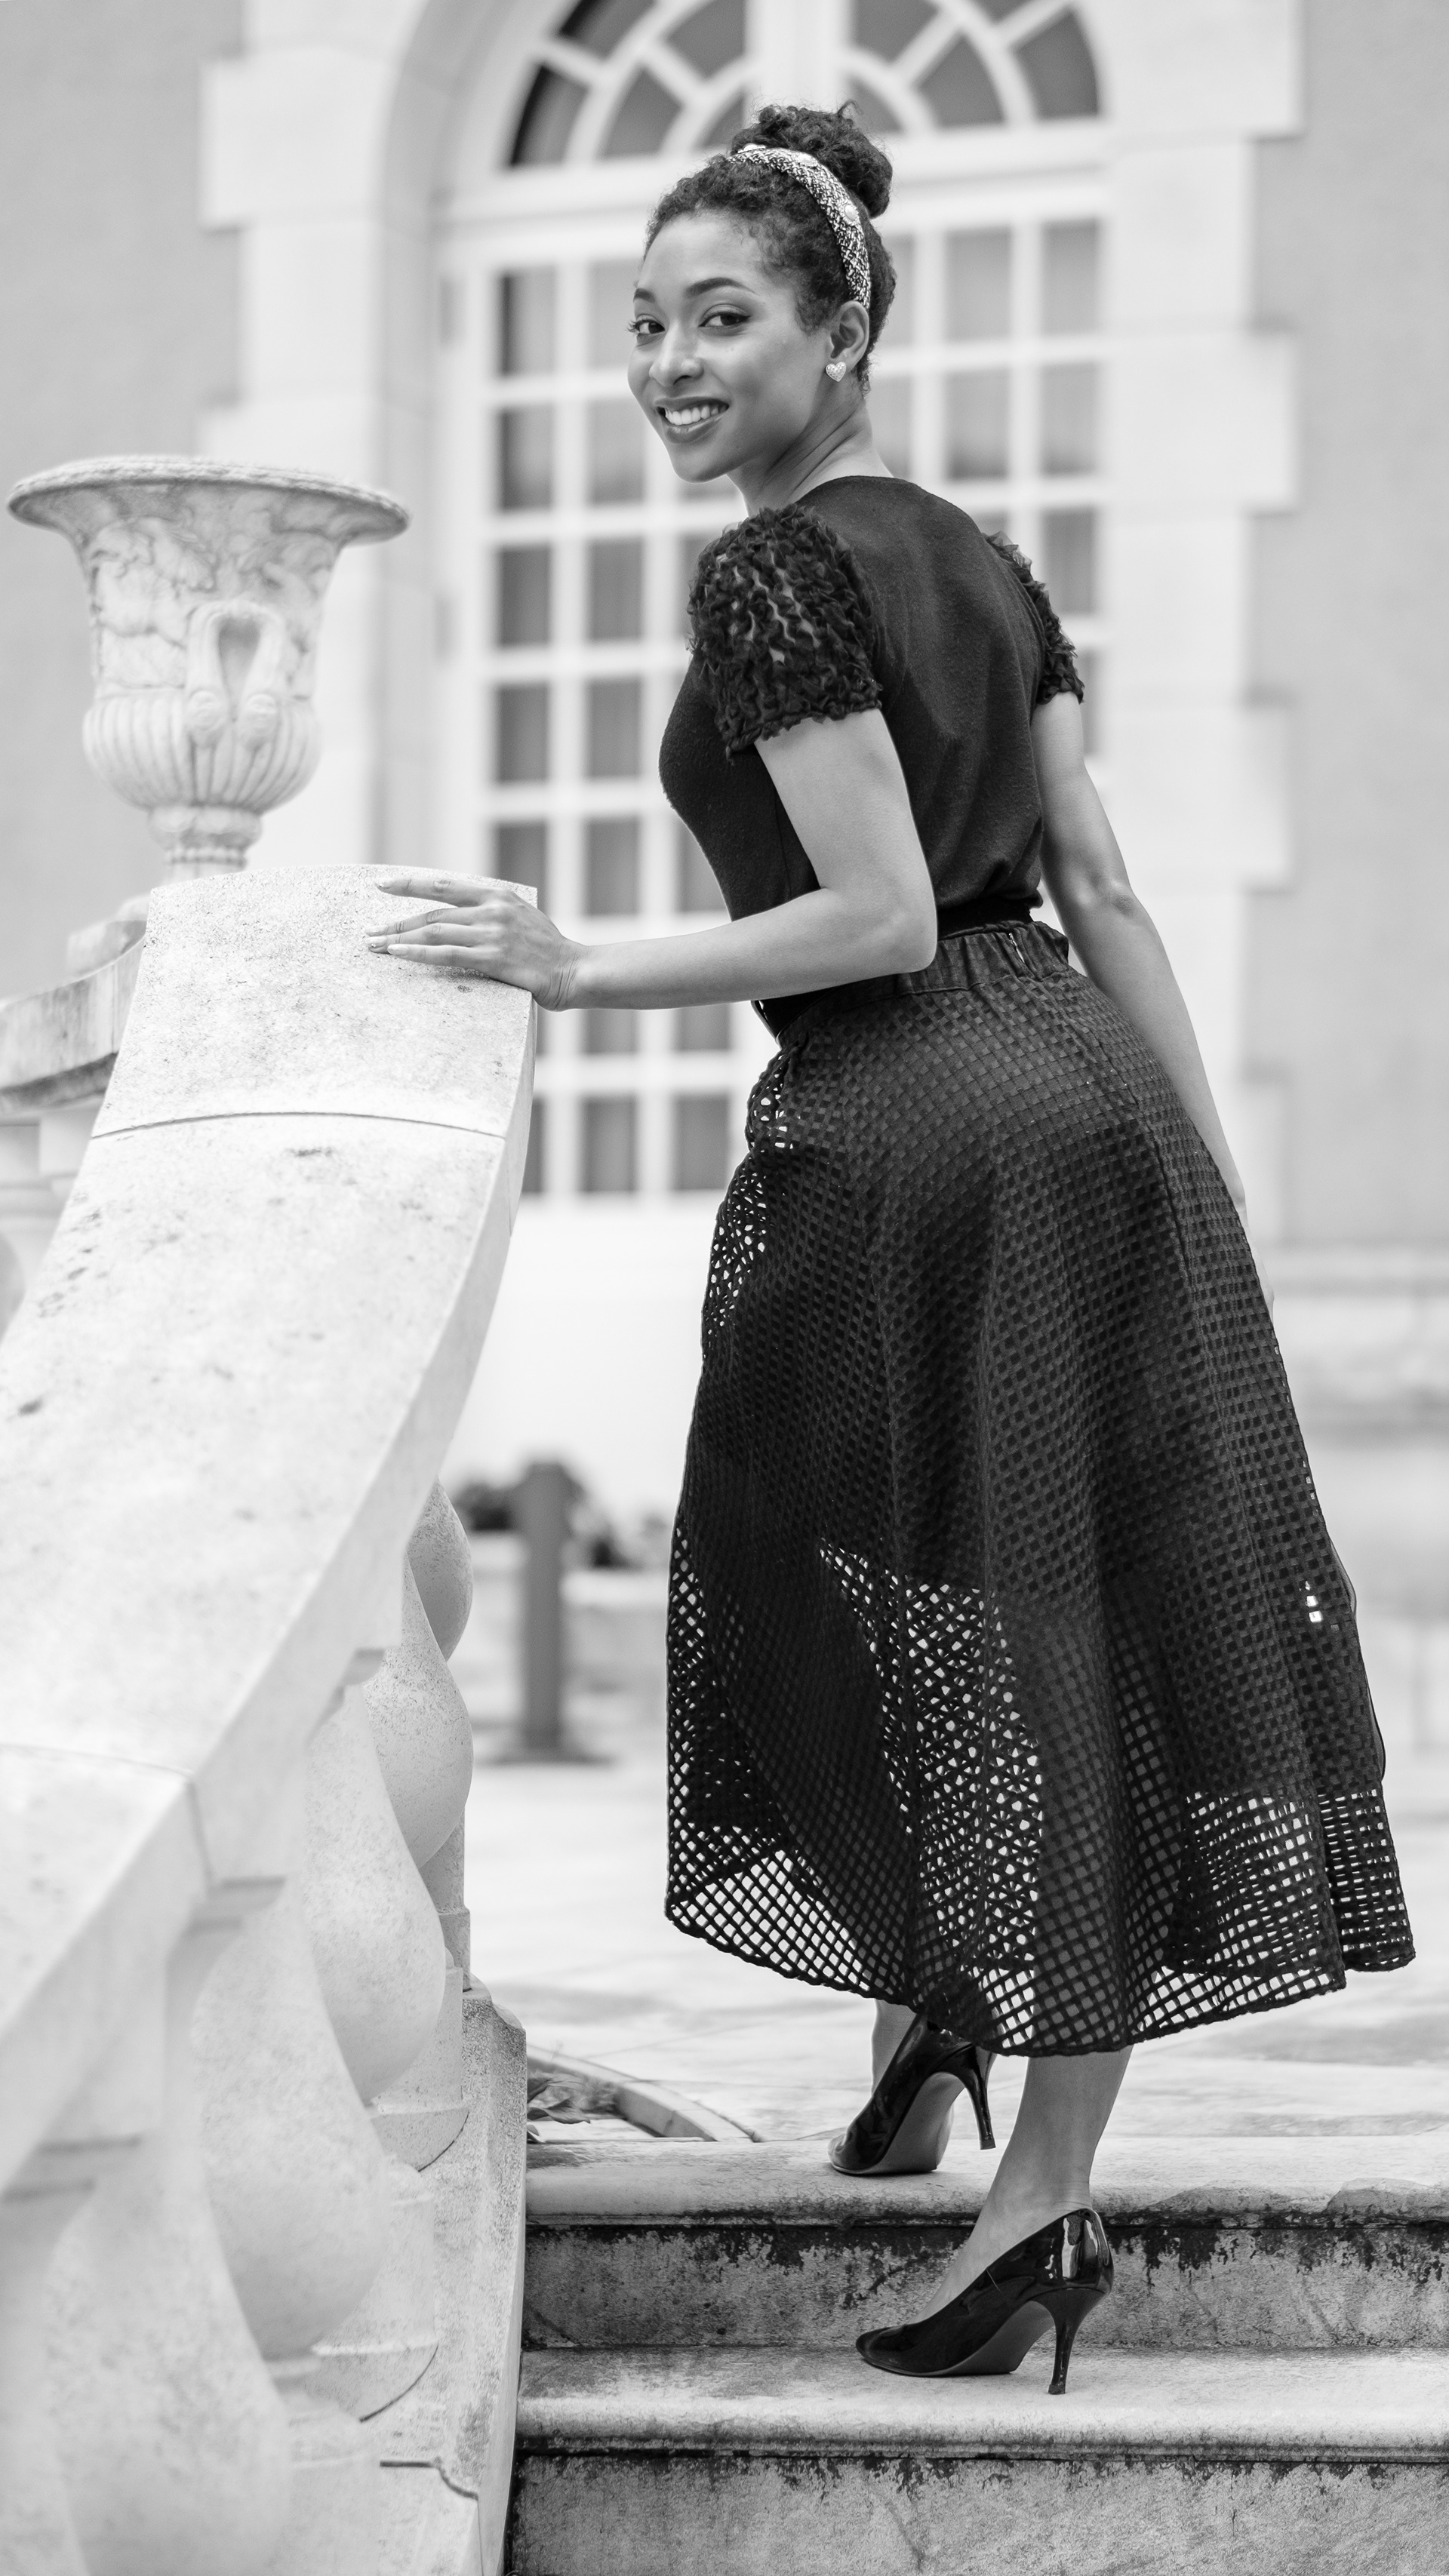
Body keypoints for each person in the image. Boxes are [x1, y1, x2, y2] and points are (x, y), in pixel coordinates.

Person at [368, 101, 1414, 2394]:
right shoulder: (988, 564)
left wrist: (572, 969)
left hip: (915, 1119)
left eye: (722, 318)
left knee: (879, 1593)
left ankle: (1035, 2212)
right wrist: (1201, 1173)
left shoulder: (773, 573)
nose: (669, 362)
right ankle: (951, 2022)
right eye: (644, 321)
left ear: (840, 336)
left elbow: (863, 918)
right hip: (1081, 1094)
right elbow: (1103, 889)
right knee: (1037, 1605)